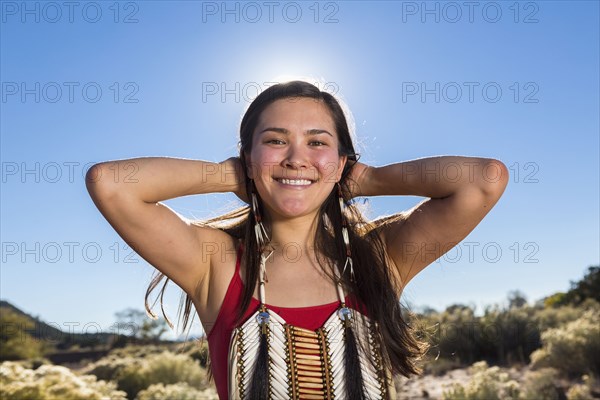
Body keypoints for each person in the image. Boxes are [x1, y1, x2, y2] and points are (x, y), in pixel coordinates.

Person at [86, 80, 509, 399]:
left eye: (317, 142)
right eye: (275, 141)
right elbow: (110, 184)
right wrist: (230, 174)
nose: (296, 157)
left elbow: (483, 180)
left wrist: (370, 179)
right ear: (247, 156)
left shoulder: (378, 259)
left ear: (342, 161)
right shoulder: (214, 263)